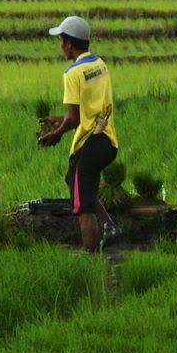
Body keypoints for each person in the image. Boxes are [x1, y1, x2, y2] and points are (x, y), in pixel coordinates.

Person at [38, 16, 118, 252]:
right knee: (75, 181)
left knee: (82, 206)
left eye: (61, 41)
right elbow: (86, 110)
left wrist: (56, 133)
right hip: (107, 140)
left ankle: (90, 259)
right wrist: (58, 120)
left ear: (69, 44)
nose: (60, 46)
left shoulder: (72, 73)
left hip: (90, 142)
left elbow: (73, 119)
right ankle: (110, 225)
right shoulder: (99, 64)